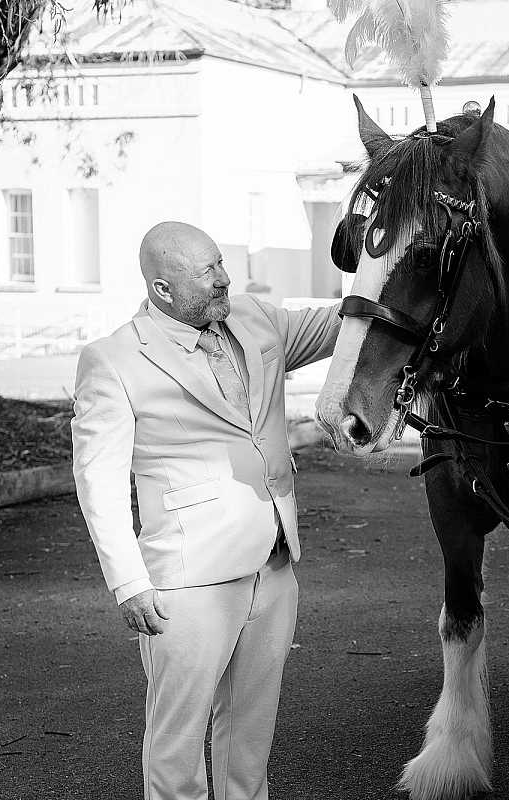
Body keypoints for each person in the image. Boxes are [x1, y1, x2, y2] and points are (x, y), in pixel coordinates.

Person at [71, 221, 341, 800]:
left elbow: (346, 322)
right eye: (207, 273)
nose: (224, 280)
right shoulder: (114, 360)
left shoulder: (256, 319)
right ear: (163, 289)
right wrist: (128, 582)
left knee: (250, 738)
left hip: (274, 564)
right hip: (185, 583)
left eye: (221, 263)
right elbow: (99, 480)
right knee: (178, 743)